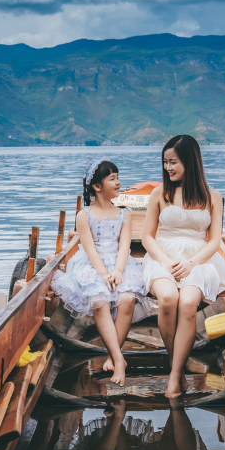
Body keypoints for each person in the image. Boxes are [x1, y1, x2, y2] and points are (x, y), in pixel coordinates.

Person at [141, 135, 225, 397]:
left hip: (199, 259)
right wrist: (163, 260)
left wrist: (192, 262)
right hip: (163, 256)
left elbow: (214, 240)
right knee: (169, 298)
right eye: (165, 162)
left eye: (173, 162)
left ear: (190, 161)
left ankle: (174, 375)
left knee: (187, 303)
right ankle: (179, 369)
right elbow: (148, 236)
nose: (168, 167)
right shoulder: (159, 193)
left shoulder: (212, 195)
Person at [51, 158, 151, 385]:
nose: (118, 183)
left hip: (120, 263)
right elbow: (90, 249)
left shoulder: (124, 214)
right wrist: (105, 274)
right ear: (97, 186)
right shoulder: (84, 215)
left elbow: (125, 246)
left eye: (118, 177)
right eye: (112, 179)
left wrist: (117, 270)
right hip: (92, 264)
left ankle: (111, 356)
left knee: (127, 299)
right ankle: (119, 359)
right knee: (98, 300)